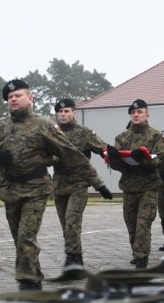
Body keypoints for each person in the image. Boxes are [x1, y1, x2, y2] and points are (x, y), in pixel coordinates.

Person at [0, 80, 112, 290]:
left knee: (26, 238)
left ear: (30, 99)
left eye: (18, 95)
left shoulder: (42, 125)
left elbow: (71, 155)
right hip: (10, 190)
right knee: (20, 242)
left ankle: (29, 285)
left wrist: (98, 183)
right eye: (10, 97)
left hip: (36, 189)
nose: (13, 99)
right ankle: (33, 278)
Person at [106, 99, 164, 269]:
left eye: (140, 112)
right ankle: (137, 251)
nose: (136, 115)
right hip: (129, 186)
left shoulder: (155, 136)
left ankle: (141, 257)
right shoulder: (122, 137)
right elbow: (117, 166)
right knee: (131, 223)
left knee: (143, 223)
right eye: (133, 113)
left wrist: (144, 159)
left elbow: (161, 160)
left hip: (148, 186)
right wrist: (113, 158)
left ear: (147, 114)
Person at [53, 98, 108, 267]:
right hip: (59, 183)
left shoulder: (84, 133)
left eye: (67, 111)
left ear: (74, 113)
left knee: (71, 220)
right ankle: (76, 258)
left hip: (79, 183)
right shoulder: (51, 133)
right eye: (60, 112)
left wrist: (113, 157)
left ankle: (72, 260)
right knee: (66, 225)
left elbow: (104, 148)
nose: (63, 114)